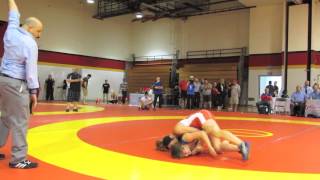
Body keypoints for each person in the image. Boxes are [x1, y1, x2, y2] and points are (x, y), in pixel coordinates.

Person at [0, 0, 43, 169]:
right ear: (30, 28)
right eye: (38, 31)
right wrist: (33, 91)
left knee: (4, 116)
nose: (39, 35)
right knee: (20, 121)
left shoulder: (10, 31)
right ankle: (18, 159)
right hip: (16, 84)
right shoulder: (30, 43)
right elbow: (31, 70)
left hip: (2, 80)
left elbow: (13, 13)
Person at [172, 110, 250, 160]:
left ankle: (242, 144)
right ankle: (239, 149)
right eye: (185, 156)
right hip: (200, 126)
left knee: (216, 133)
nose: (186, 155)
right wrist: (199, 148)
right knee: (217, 148)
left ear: (182, 147)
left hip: (201, 117)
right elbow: (201, 139)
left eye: (184, 153)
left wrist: (209, 147)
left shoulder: (185, 138)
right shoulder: (191, 150)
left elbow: (201, 133)